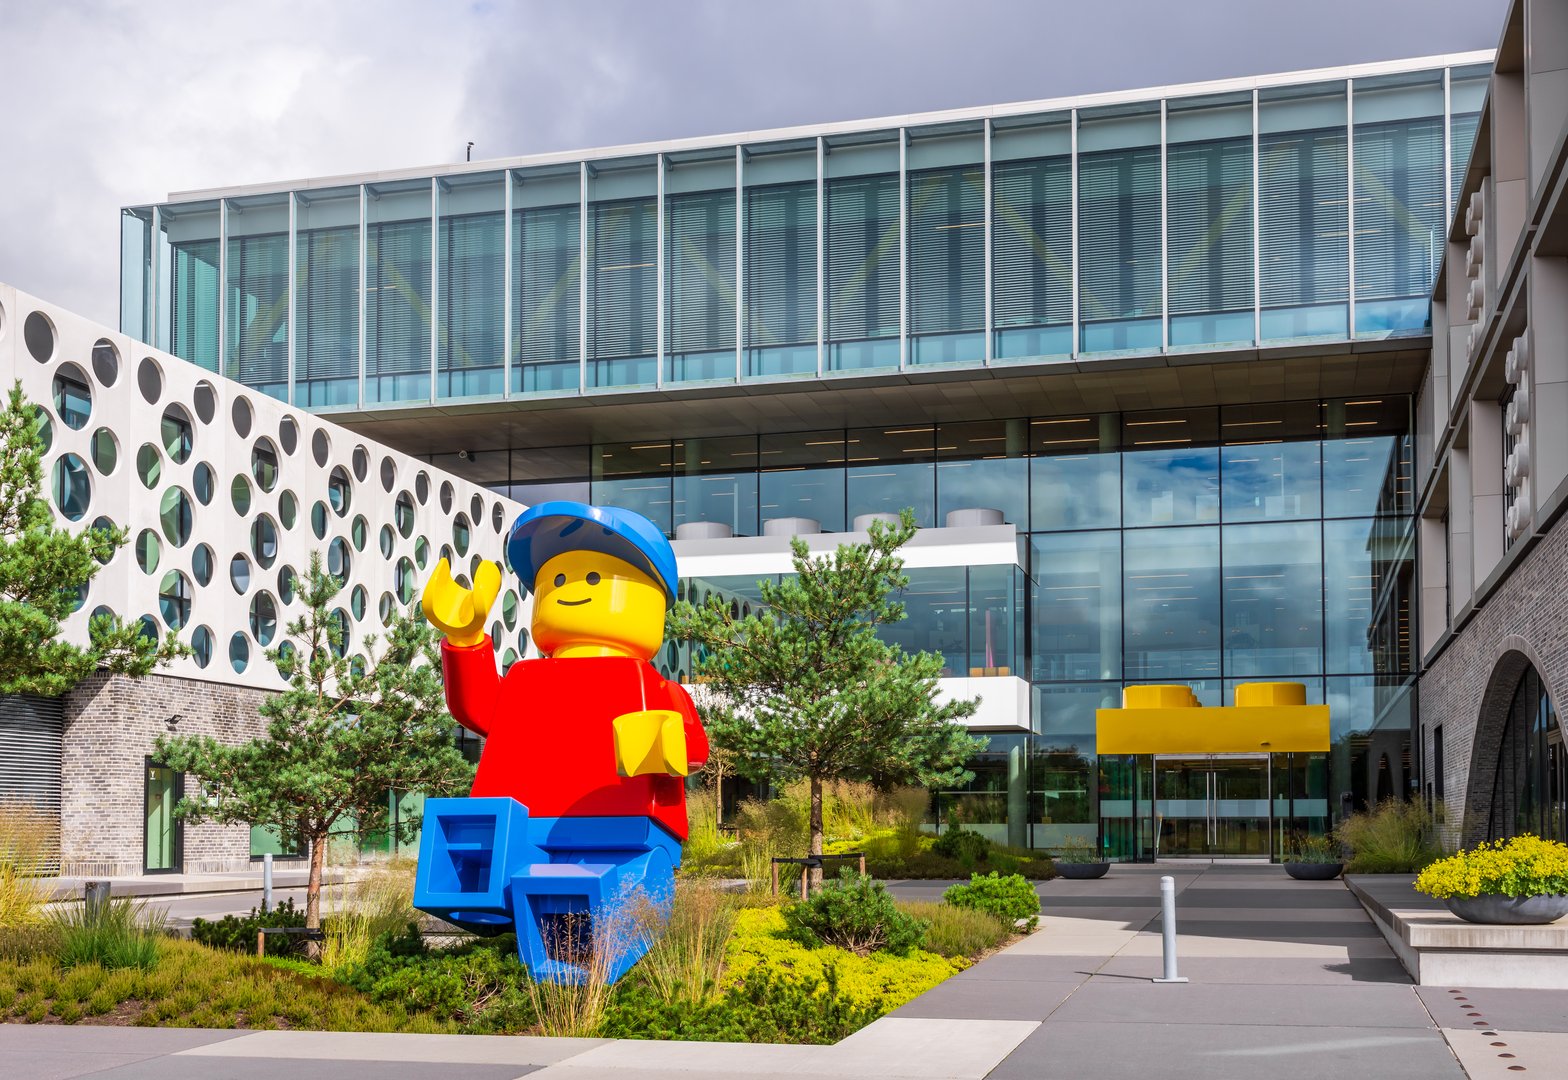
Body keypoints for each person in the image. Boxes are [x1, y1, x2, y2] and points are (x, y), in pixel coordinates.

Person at [412, 501, 708, 984]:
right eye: (559, 581)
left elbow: (693, 748)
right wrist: (465, 641)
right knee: (477, 879)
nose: (569, 591)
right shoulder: (526, 678)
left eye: (593, 579)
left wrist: (663, 742)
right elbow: (479, 708)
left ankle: (579, 960)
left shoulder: (653, 686)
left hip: (622, 827)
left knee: (592, 891)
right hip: (518, 824)